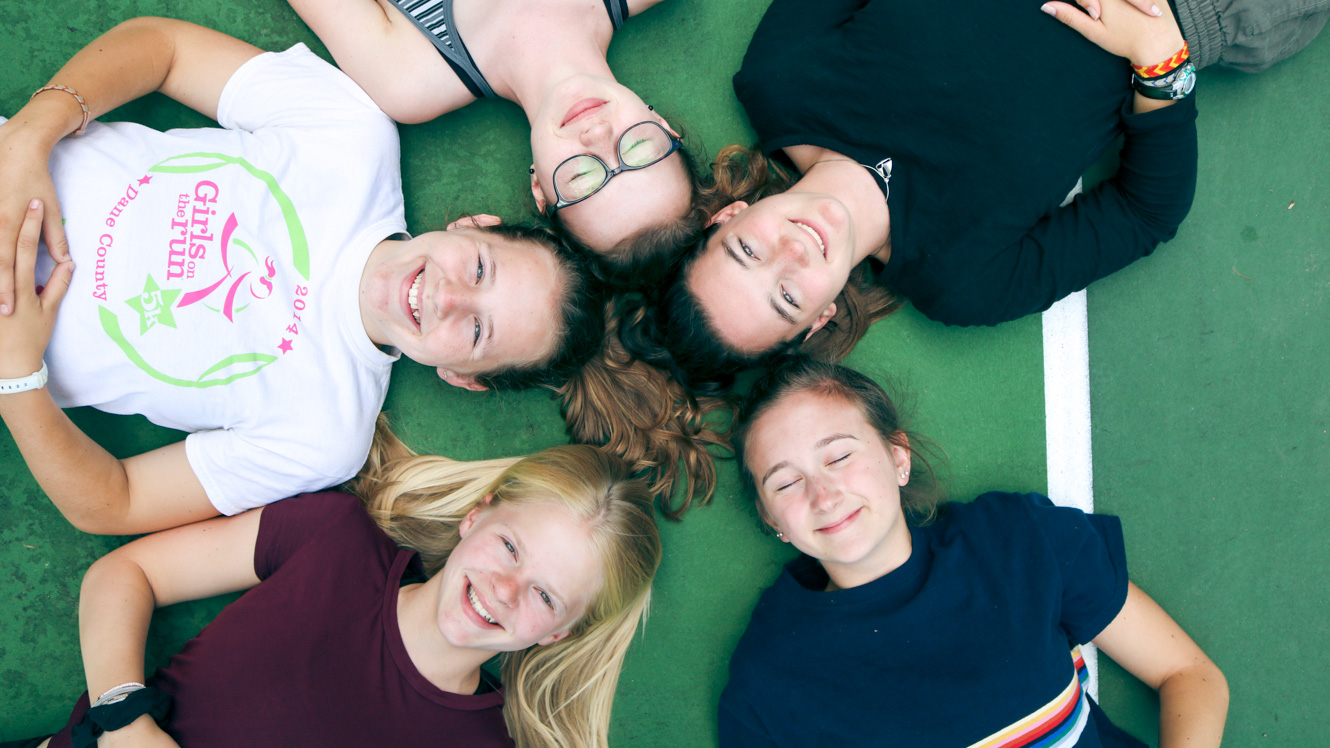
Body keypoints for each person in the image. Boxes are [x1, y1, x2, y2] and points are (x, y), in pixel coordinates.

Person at [0, 17, 602, 535]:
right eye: (478, 268)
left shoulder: (327, 435)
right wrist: (31, 134)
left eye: (476, 331)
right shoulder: (353, 135)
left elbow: (115, 502)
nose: (448, 296)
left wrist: (17, 376)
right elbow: (165, 50)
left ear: (462, 378)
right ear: (473, 224)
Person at [630, 0, 1328, 389]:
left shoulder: (779, 79)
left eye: (746, 251)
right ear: (817, 321)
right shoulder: (964, 280)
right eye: (786, 296)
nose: (791, 252)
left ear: (730, 215)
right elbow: (1145, 213)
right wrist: (1158, 56)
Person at [2, 427, 660, 748]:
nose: (507, 588)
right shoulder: (337, 536)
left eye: (546, 596)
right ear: (477, 513)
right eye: (510, 547)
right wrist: (125, 724)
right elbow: (124, 574)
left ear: (562, 630)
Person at [719, 357, 1230, 747]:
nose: (823, 495)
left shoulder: (1015, 542)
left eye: (839, 455)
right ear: (772, 521)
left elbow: (1188, 674)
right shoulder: (769, 680)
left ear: (898, 457)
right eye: (786, 483)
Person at [282, 0, 704, 280]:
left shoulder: (409, 80)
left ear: (540, 188)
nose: (596, 135)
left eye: (583, 179)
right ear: (664, 126)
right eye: (638, 149)